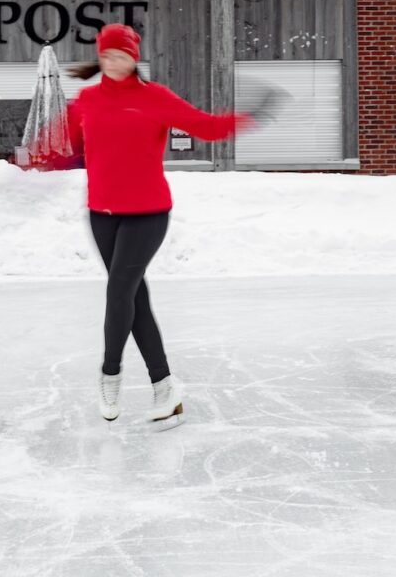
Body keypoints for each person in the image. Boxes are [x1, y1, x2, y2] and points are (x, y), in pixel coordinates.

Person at [34, 22, 272, 430]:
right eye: (107, 55)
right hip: (101, 214)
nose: (113, 62)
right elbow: (66, 149)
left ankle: (110, 376)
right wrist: (27, 165)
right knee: (133, 301)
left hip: (148, 213)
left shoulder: (155, 98)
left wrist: (252, 116)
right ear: (100, 56)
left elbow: (208, 127)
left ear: (133, 58)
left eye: (121, 55)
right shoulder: (87, 101)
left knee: (119, 290)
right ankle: (165, 386)